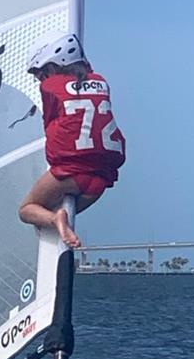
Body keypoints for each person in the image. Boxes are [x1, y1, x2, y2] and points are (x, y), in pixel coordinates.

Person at [19, 33, 125, 250]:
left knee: (28, 209)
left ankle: (54, 219)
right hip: (100, 181)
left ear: (51, 68)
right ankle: (58, 219)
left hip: (69, 173)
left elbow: (50, 122)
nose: (41, 80)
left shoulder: (51, 87)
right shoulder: (101, 82)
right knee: (63, 212)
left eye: (41, 75)